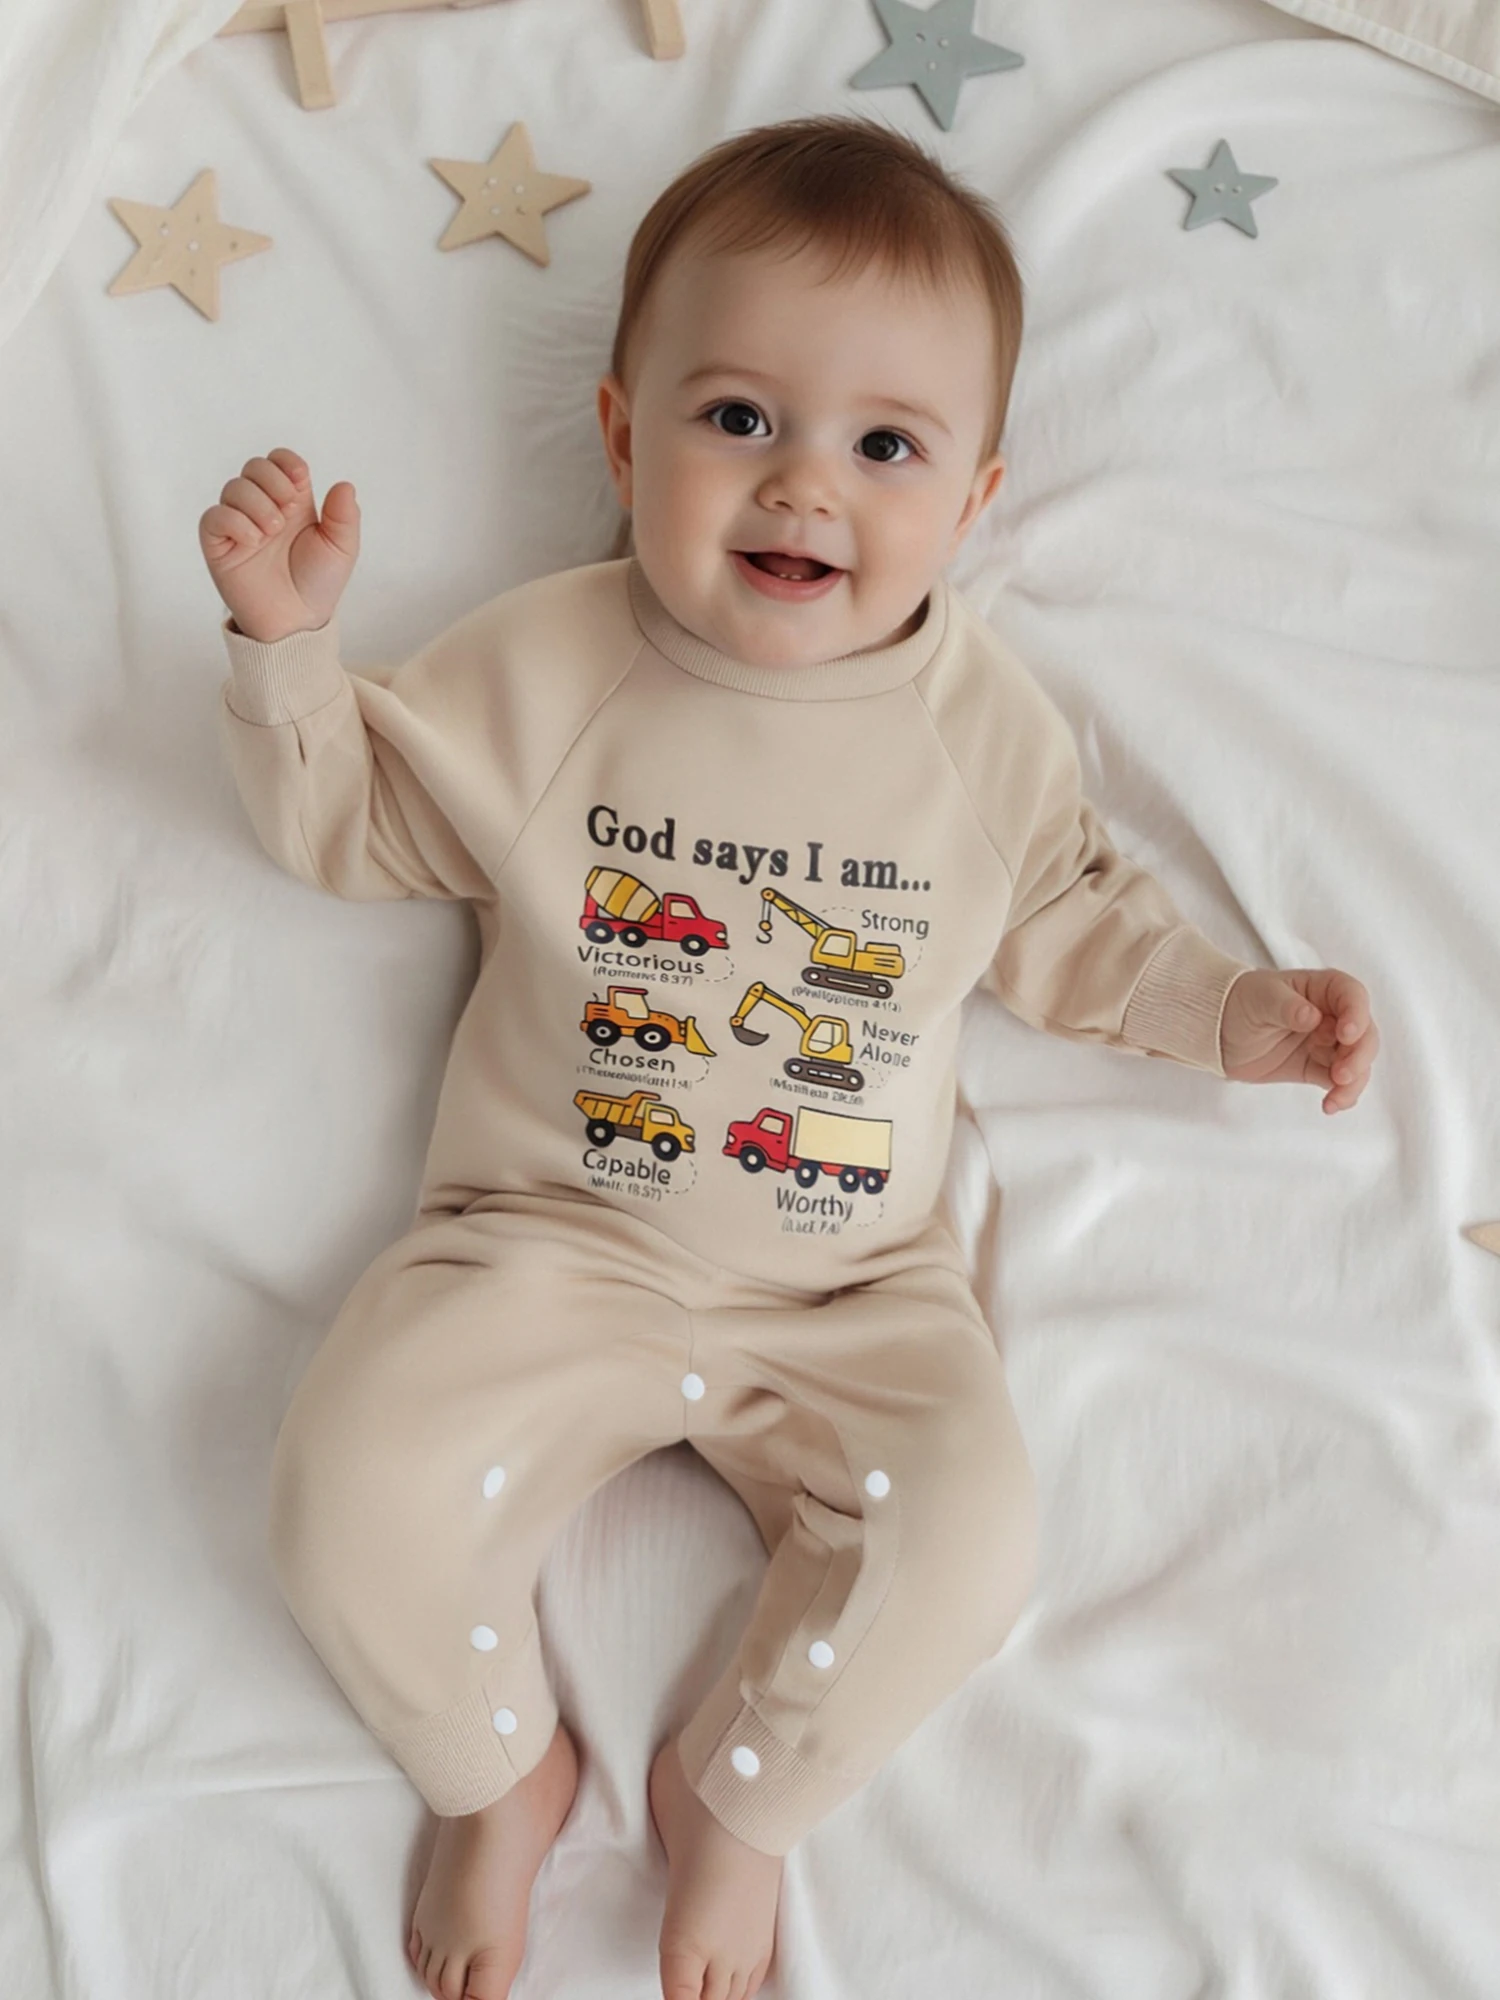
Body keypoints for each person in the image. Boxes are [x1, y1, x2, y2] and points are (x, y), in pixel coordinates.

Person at [198, 114, 1379, 2000]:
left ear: (974, 498)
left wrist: (1233, 1014)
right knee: (342, 1496)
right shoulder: (546, 667)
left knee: (970, 1538)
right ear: (621, 438)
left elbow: (1074, 924)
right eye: (738, 418)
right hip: (546, 1241)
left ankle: (737, 1796)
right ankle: (498, 1768)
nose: (804, 486)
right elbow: (357, 824)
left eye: (884, 447)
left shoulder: (981, 731)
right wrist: (287, 651)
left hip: (855, 1291)